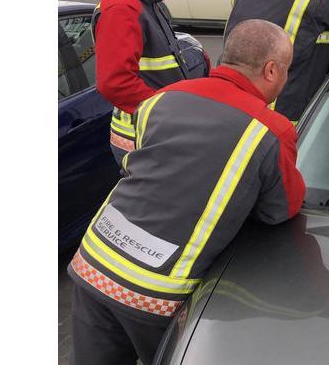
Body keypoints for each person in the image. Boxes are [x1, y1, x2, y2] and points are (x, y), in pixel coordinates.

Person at [68, 20, 304, 365]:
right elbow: (279, 210)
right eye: (286, 70)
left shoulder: (161, 99)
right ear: (271, 70)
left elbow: (153, 166)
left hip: (93, 261)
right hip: (153, 293)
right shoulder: (269, 130)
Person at [94, 0, 209, 165]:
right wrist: (168, 112)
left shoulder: (143, 0)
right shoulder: (122, 8)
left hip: (156, 132)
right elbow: (114, 83)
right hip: (144, 138)